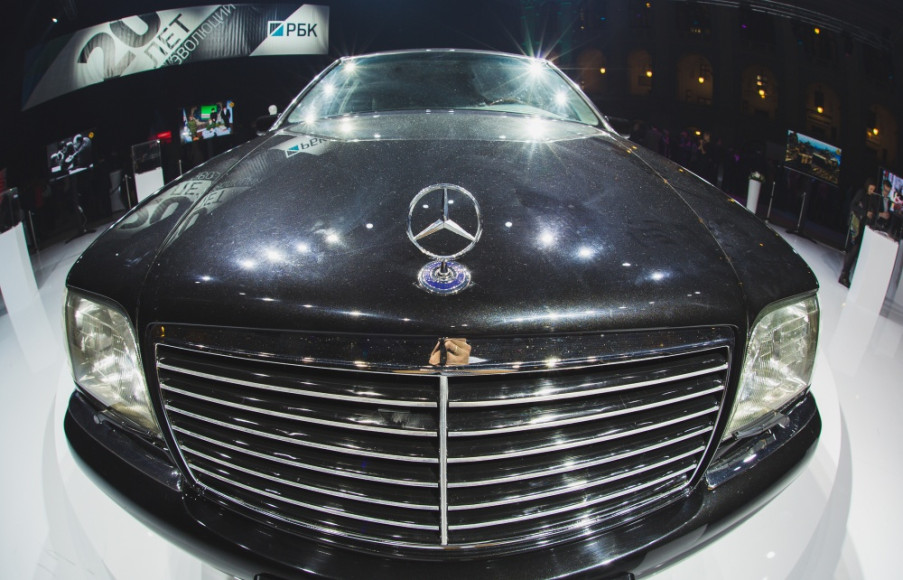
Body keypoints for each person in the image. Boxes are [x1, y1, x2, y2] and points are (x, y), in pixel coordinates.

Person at [838, 177, 880, 287]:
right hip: (856, 225)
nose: (872, 191)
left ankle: (845, 274)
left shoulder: (872, 198)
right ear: (867, 187)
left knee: (855, 251)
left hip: (864, 226)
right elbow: (853, 205)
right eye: (871, 189)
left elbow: (873, 210)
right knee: (853, 250)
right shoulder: (861, 193)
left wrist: (871, 214)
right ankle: (844, 274)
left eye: (873, 189)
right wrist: (865, 212)